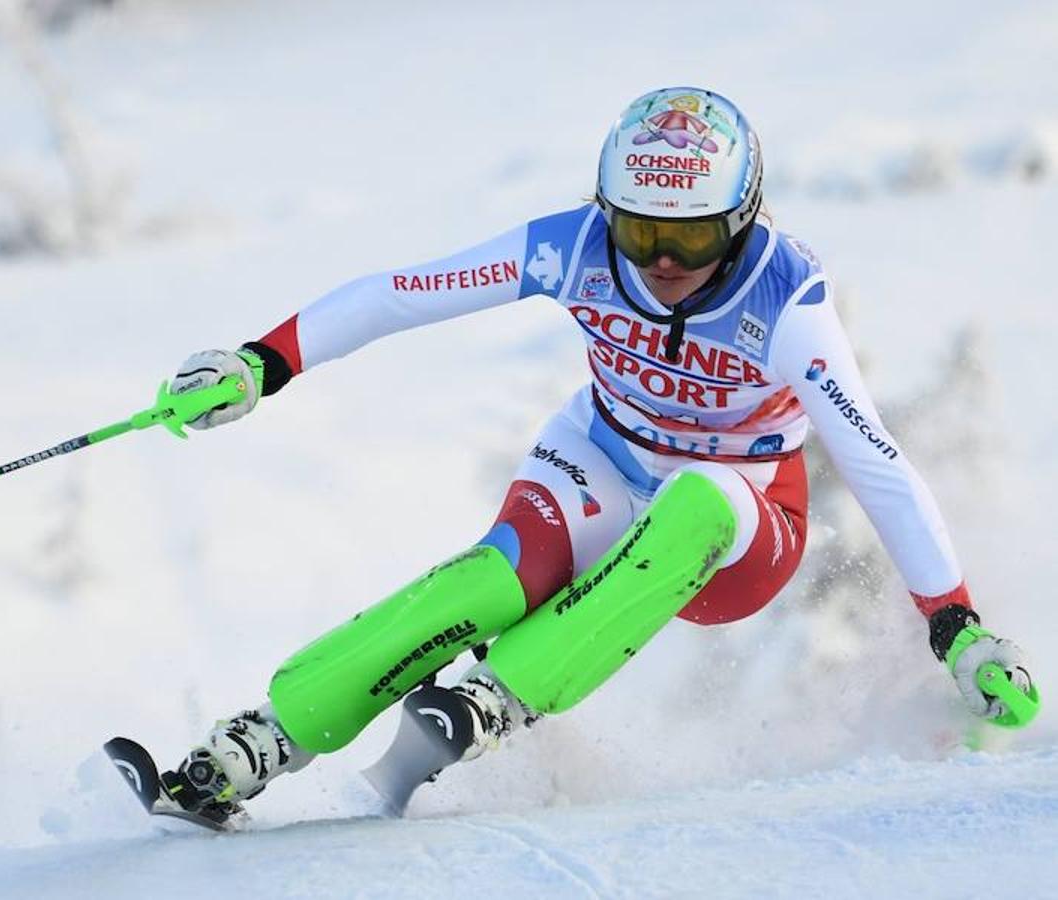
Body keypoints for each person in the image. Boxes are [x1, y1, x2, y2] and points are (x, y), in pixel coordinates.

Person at [149, 86, 1037, 825]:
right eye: (637, 231)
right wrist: (261, 364)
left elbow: (877, 462)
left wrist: (956, 624)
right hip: (605, 459)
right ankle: (261, 739)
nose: (658, 262)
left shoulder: (788, 302)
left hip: (741, 529)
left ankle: (506, 694)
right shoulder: (572, 247)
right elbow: (403, 294)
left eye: (688, 240)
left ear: (740, 219)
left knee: (699, 496)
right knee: (489, 584)